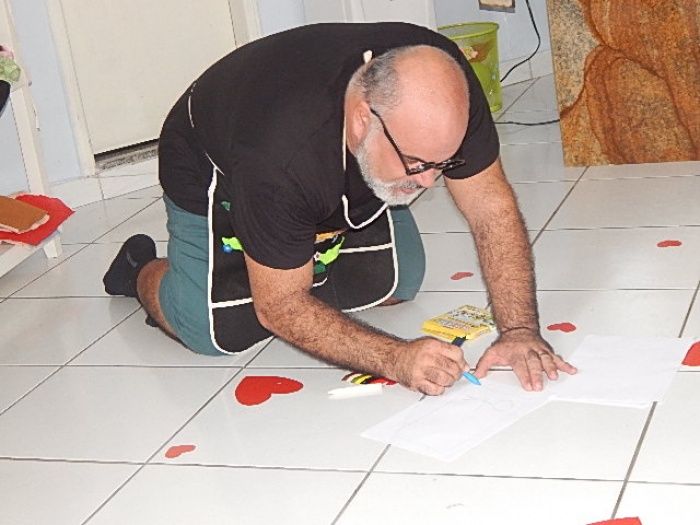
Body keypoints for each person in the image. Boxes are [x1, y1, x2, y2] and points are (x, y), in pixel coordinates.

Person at [104, 22, 577, 395]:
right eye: (417, 163)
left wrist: (519, 330)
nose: (429, 182)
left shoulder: (443, 86)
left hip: (312, 161)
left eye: (443, 163)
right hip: (210, 160)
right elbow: (279, 307)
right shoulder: (280, 157)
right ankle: (140, 269)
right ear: (362, 119)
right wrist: (395, 358)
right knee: (220, 331)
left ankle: (295, 242)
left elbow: (490, 207)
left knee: (395, 283)